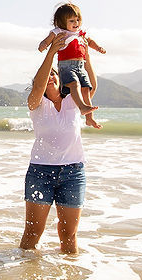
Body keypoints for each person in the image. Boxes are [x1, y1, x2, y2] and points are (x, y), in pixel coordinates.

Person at [19, 33, 94, 255]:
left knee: (69, 235)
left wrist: (85, 57)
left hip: (73, 173)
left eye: (54, 74)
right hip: (40, 173)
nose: (51, 77)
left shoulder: (75, 100)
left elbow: (91, 83)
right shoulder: (36, 104)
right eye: (46, 76)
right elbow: (41, 82)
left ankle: (69, 279)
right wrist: (51, 52)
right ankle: (24, 274)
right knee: (33, 233)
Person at [37, 3, 106, 129]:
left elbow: (90, 42)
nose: (76, 23)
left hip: (80, 66)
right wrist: (43, 45)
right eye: (72, 20)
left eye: (78, 19)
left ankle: (89, 118)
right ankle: (82, 107)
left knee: (86, 89)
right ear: (62, 23)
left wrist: (98, 48)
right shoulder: (59, 32)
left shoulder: (81, 33)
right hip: (66, 66)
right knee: (75, 84)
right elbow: (48, 39)